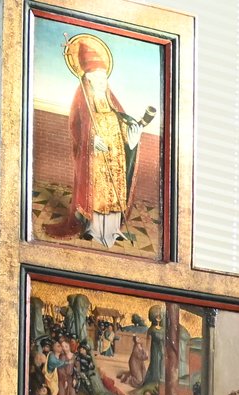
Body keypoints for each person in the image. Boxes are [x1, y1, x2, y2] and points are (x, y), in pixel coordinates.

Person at [64, 33, 148, 246]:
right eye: (98, 78)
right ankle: (95, 229)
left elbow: (123, 123)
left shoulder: (112, 102)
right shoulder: (84, 103)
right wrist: (90, 142)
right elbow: (76, 130)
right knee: (99, 194)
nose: (103, 81)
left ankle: (113, 229)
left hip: (116, 158)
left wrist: (132, 138)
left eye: (104, 77)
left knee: (115, 192)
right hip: (97, 160)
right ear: (88, 79)